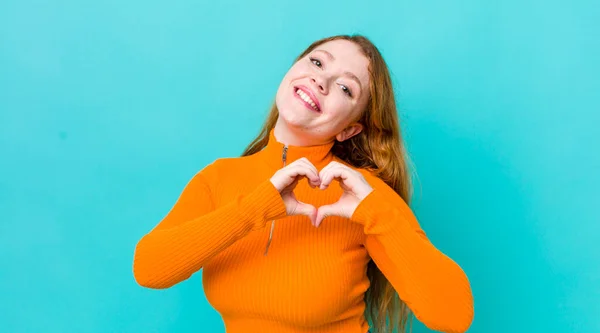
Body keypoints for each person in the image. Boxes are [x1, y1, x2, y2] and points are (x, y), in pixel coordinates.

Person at [132, 34, 474, 333]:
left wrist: (378, 214)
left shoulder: (362, 196)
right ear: (292, 70)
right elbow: (149, 269)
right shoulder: (219, 179)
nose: (321, 81)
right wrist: (258, 207)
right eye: (317, 62)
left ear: (349, 129)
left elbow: (453, 315)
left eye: (345, 87)